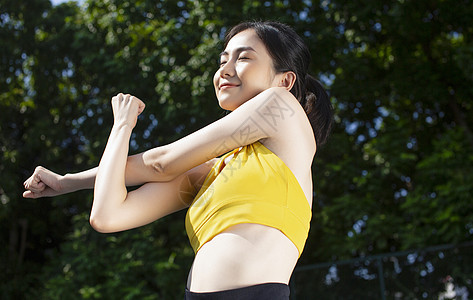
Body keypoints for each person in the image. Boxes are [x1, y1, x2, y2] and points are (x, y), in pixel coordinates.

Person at [23, 21, 333, 299]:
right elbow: (108, 216)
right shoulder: (216, 172)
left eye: (243, 57)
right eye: (223, 60)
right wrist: (71, 179)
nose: (225, 69)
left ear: (285, 80)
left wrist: (126, 122)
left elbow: (162, 162)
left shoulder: (282, 106)